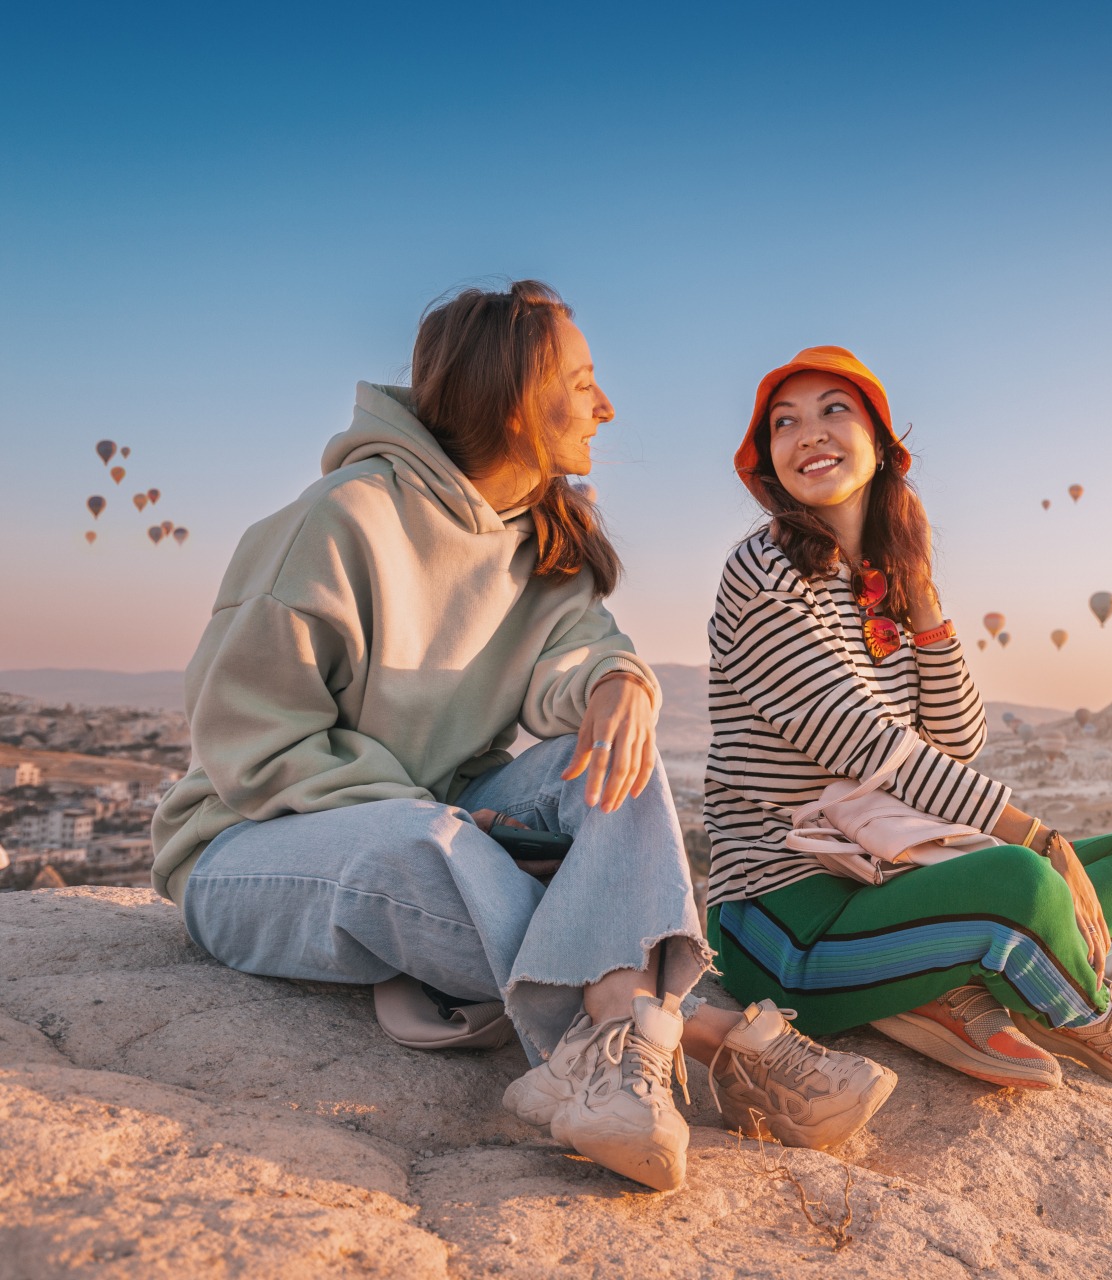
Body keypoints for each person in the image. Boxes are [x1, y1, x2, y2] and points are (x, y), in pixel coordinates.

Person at [149, 283, 895, 1193]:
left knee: (609, 765)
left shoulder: (540, 538)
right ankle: (705, 1032)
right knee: (422, 841)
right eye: (583, 382)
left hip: (439, 815)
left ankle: (618, 1047)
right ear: (512, 399)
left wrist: (619, 683)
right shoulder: (341, 520)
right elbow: (250, 744)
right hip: (246, 847)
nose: (605, 406)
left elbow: (581, 653)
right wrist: (443, 818)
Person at [702, 345, 1112, 1093]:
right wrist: (1033, 835)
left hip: (893, 876)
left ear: (880, 445)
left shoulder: (883, 584)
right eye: (785, 423)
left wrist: (923, 599)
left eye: (833, 411)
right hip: (785, 916)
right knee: (1021, 875)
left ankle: (948, 986)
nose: (809, 432)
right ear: (770, 463)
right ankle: (1087, 1014)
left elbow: (958, 741)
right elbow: (857, 739)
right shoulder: (764, 568)